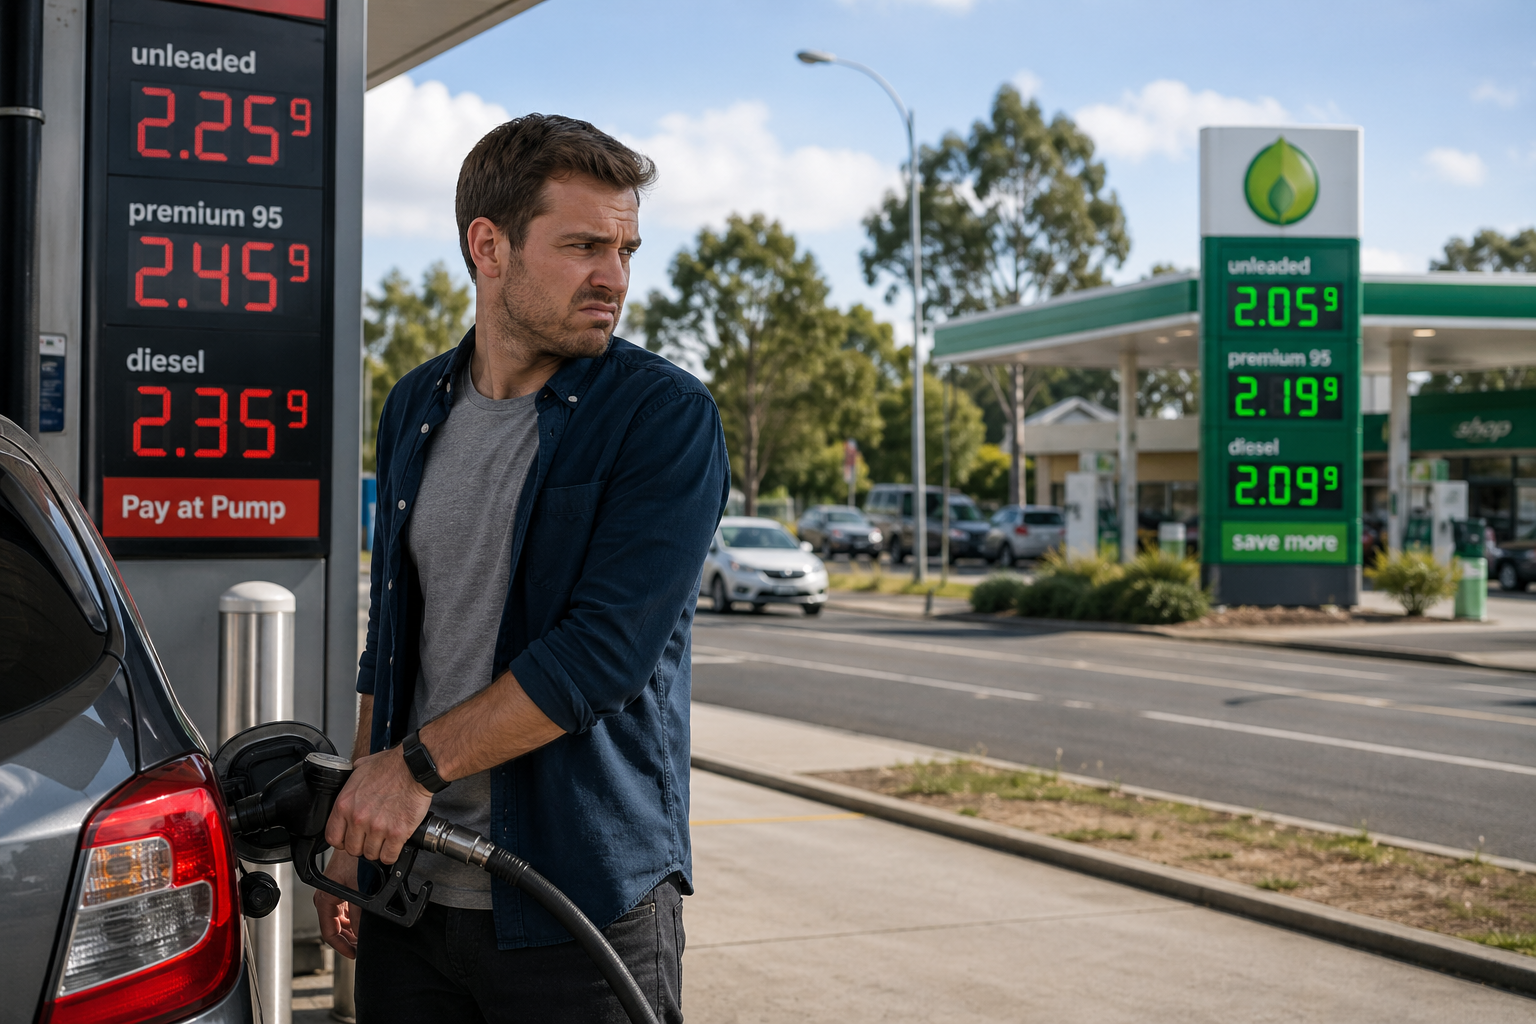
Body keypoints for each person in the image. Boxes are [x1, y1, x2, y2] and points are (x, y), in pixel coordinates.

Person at [315, 114, 729, 1024]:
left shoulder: (662, 418)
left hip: (582, 905)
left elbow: (600, 655)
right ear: (488, 246)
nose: (614, 277)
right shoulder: (417, 404)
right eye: (584, 245)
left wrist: (410, 773)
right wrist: (357, 818)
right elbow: (395, 641)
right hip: (412, 899)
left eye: (625, 248)